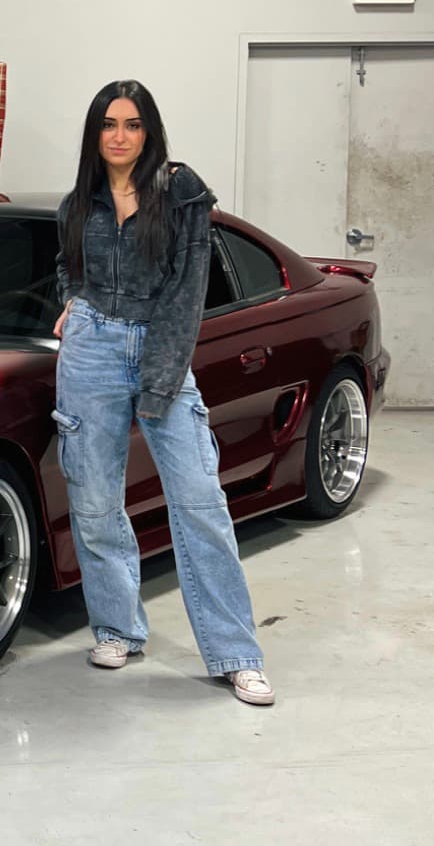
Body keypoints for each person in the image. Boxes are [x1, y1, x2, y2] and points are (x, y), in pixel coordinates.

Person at [52, 81, 273, 707]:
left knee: (200, 501)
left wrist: (156, 381)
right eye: (109, 124)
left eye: (133, 124)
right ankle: (118, 627)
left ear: (150, 132)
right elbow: (70, 266)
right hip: (91, 350)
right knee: (94, 501)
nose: (120, 136)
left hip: (162, 347)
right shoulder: (79, 202)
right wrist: (72, 302)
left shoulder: (181, 194)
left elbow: (186, 295)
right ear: (96, 134)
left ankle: (236, 655)